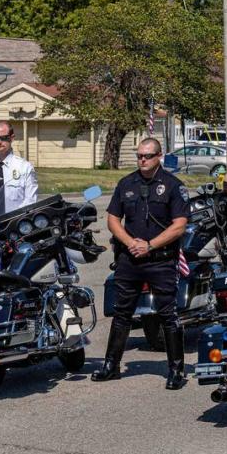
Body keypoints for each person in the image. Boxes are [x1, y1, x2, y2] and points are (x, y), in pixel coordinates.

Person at [92, 137, 190, 389]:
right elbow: (113, 219)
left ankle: (176, 370)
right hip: (130, 258)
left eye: (147, 156)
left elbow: (179, 225)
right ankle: (110, 366)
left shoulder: (173, 186)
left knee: (168, 314)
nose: (142, 160)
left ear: (159, 156)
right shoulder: (126, 184)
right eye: (139, 156)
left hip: (160, 259)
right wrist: (129, 242)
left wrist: (150, 245)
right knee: (122, 312)